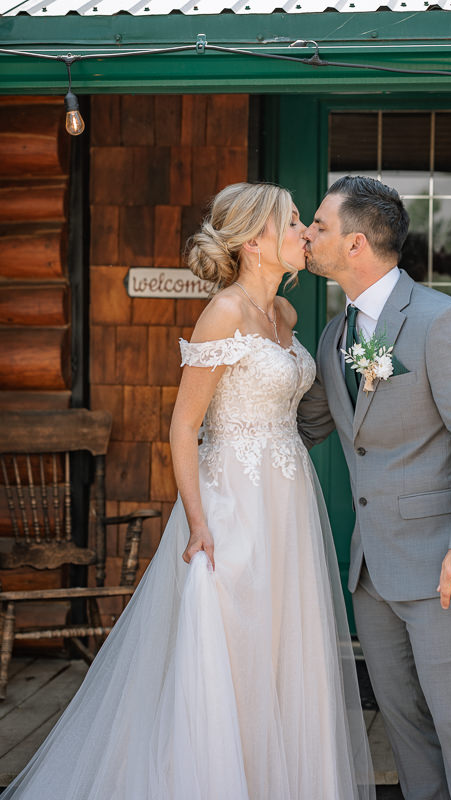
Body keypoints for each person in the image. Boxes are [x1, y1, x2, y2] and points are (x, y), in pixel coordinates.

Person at [3, 182, 374, 800]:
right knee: (232, 646)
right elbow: (184, 426)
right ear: (255, 241)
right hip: (233, 502)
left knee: (283, 648)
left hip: (288, 501)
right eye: (292, 223)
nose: (305, 233)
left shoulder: (286, 314)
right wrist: (199, 523)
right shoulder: (222, 313)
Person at [297, 175, 451, 800]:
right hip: (371, 569)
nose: (307, 235)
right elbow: (308, 425)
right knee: (404, 724)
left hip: (444, 563)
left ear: (357, 244)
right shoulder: (335, 333)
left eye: (318, 225)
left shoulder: (440, 322)